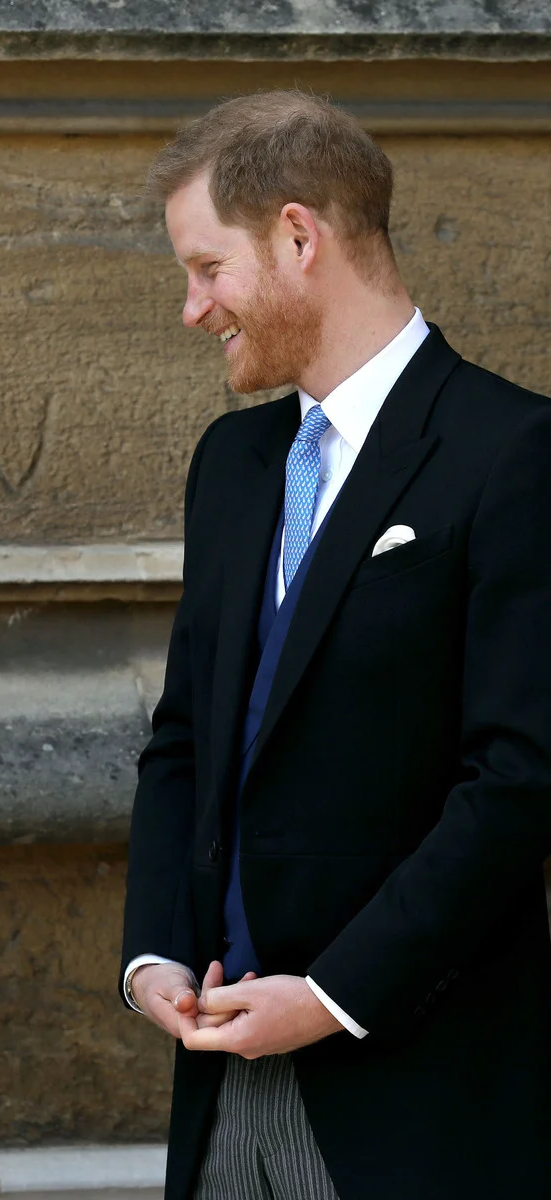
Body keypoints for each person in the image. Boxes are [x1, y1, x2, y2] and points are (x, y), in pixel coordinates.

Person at [120, 91, 551, 1200]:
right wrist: (155, 953)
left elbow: (517, 784)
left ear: (299, 237)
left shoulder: (514, 454)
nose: (192, 307)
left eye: (208, 269)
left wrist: (331, 996)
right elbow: (184, 742)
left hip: (416, 1096)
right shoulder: (232, 463)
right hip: (220, 1097)